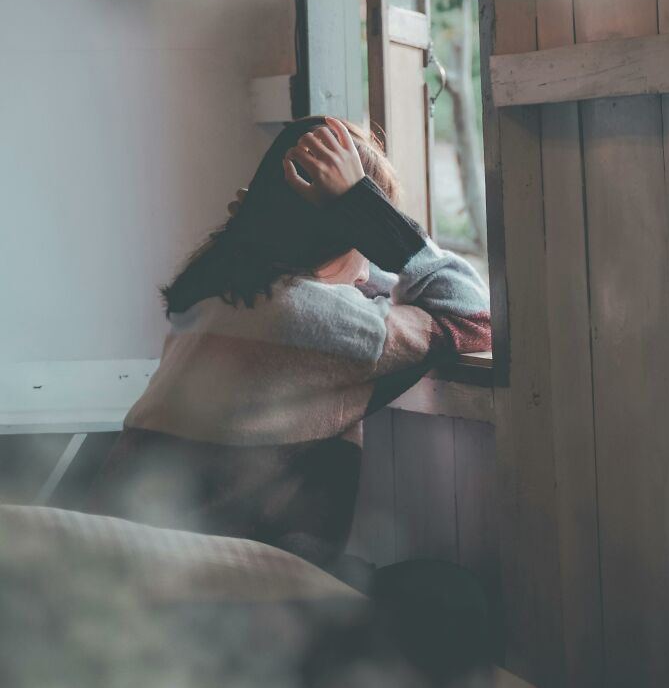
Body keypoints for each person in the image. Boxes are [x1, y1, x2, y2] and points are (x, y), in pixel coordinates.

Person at [86, 115, 491, 569]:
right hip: (212, 580)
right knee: (449, 600)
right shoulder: (319, 321)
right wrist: (367, 210)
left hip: (113, 554)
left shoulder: (216, 294)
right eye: (367, 244)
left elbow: (349, 284)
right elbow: (471, 315)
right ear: (350, 236)